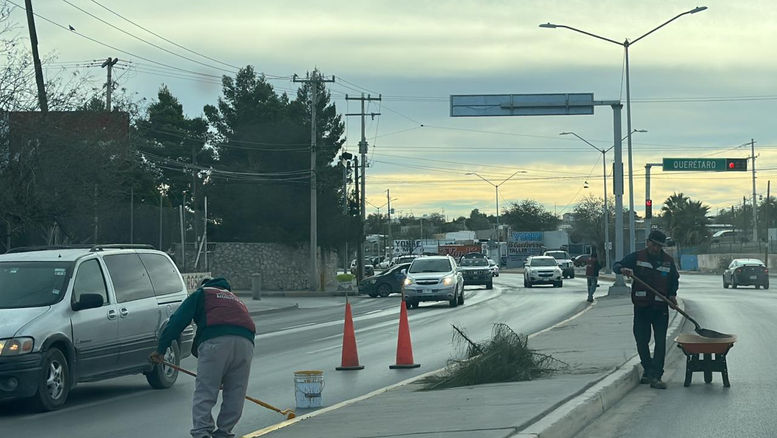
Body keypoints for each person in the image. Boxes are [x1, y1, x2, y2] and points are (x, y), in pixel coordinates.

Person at [151, 277, 256, 438]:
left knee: (206, 389)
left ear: (204, 285)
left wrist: (161, 349)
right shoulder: (236, 300)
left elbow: (177, 322)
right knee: (236, 391)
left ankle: (202, 431)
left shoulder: (202, 294)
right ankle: (224, 431)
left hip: (215, 341)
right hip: (246, 343)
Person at [612, 230, 679, 390]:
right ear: (648, 242)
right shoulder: (637, 257)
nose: (656, 248)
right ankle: (648, 370)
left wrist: (672, 295)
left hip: (660, 308)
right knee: (642, 341)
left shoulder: (668, 262)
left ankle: (656, 375)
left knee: (660, 342)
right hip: (642, 307)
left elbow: (673, 280)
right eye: (654, 244)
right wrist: (622, 269)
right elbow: (617, 265)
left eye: (659, 246)